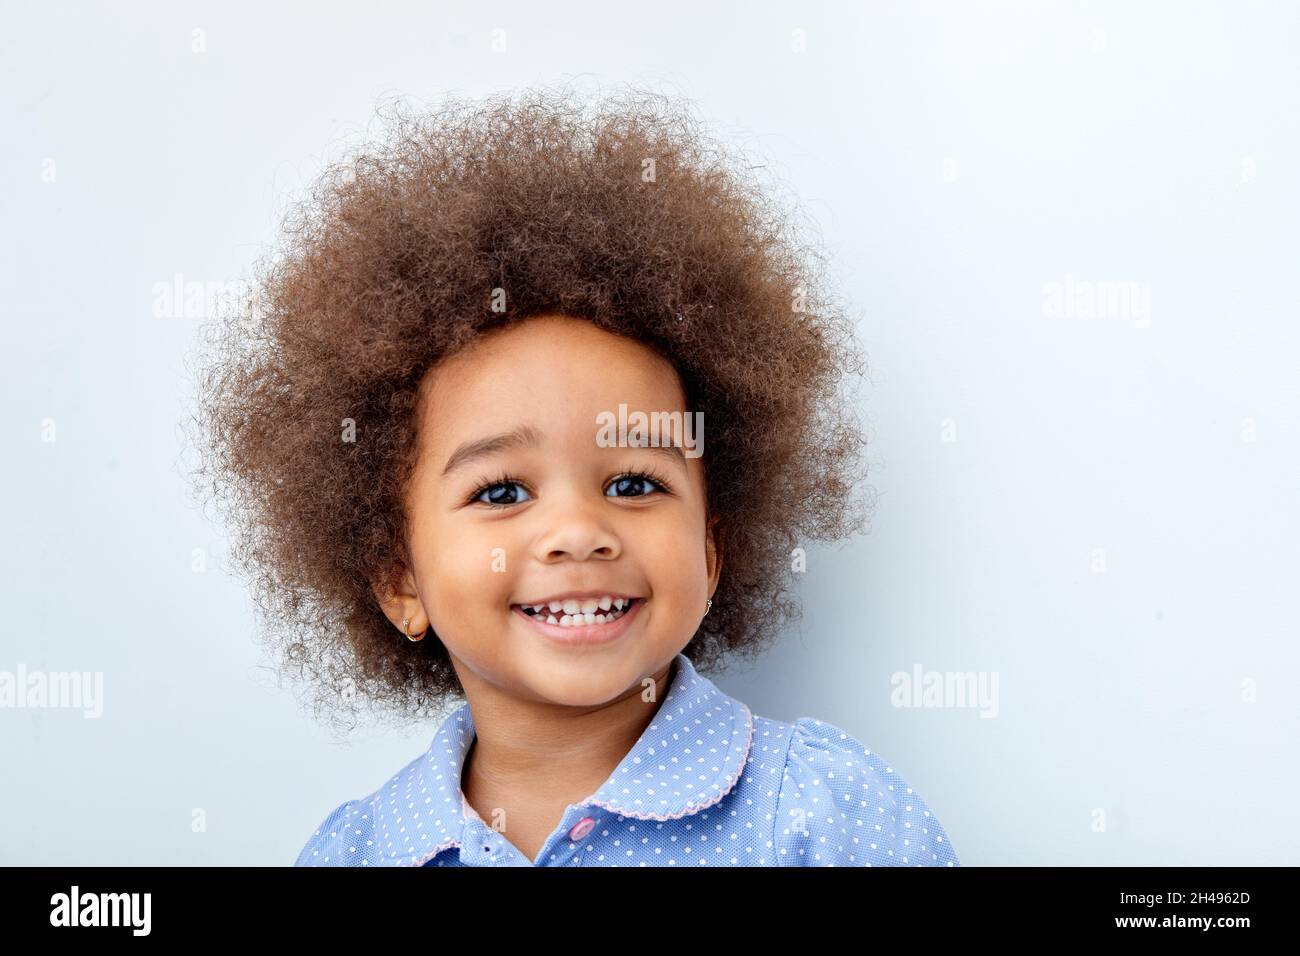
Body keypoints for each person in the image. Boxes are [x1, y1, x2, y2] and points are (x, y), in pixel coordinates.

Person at [193, 84, 960, 867]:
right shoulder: (356, 855)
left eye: (633, 483)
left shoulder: (824, 815)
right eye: (501, 491)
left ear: (710, 550)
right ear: (400, 579)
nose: (577, 533)